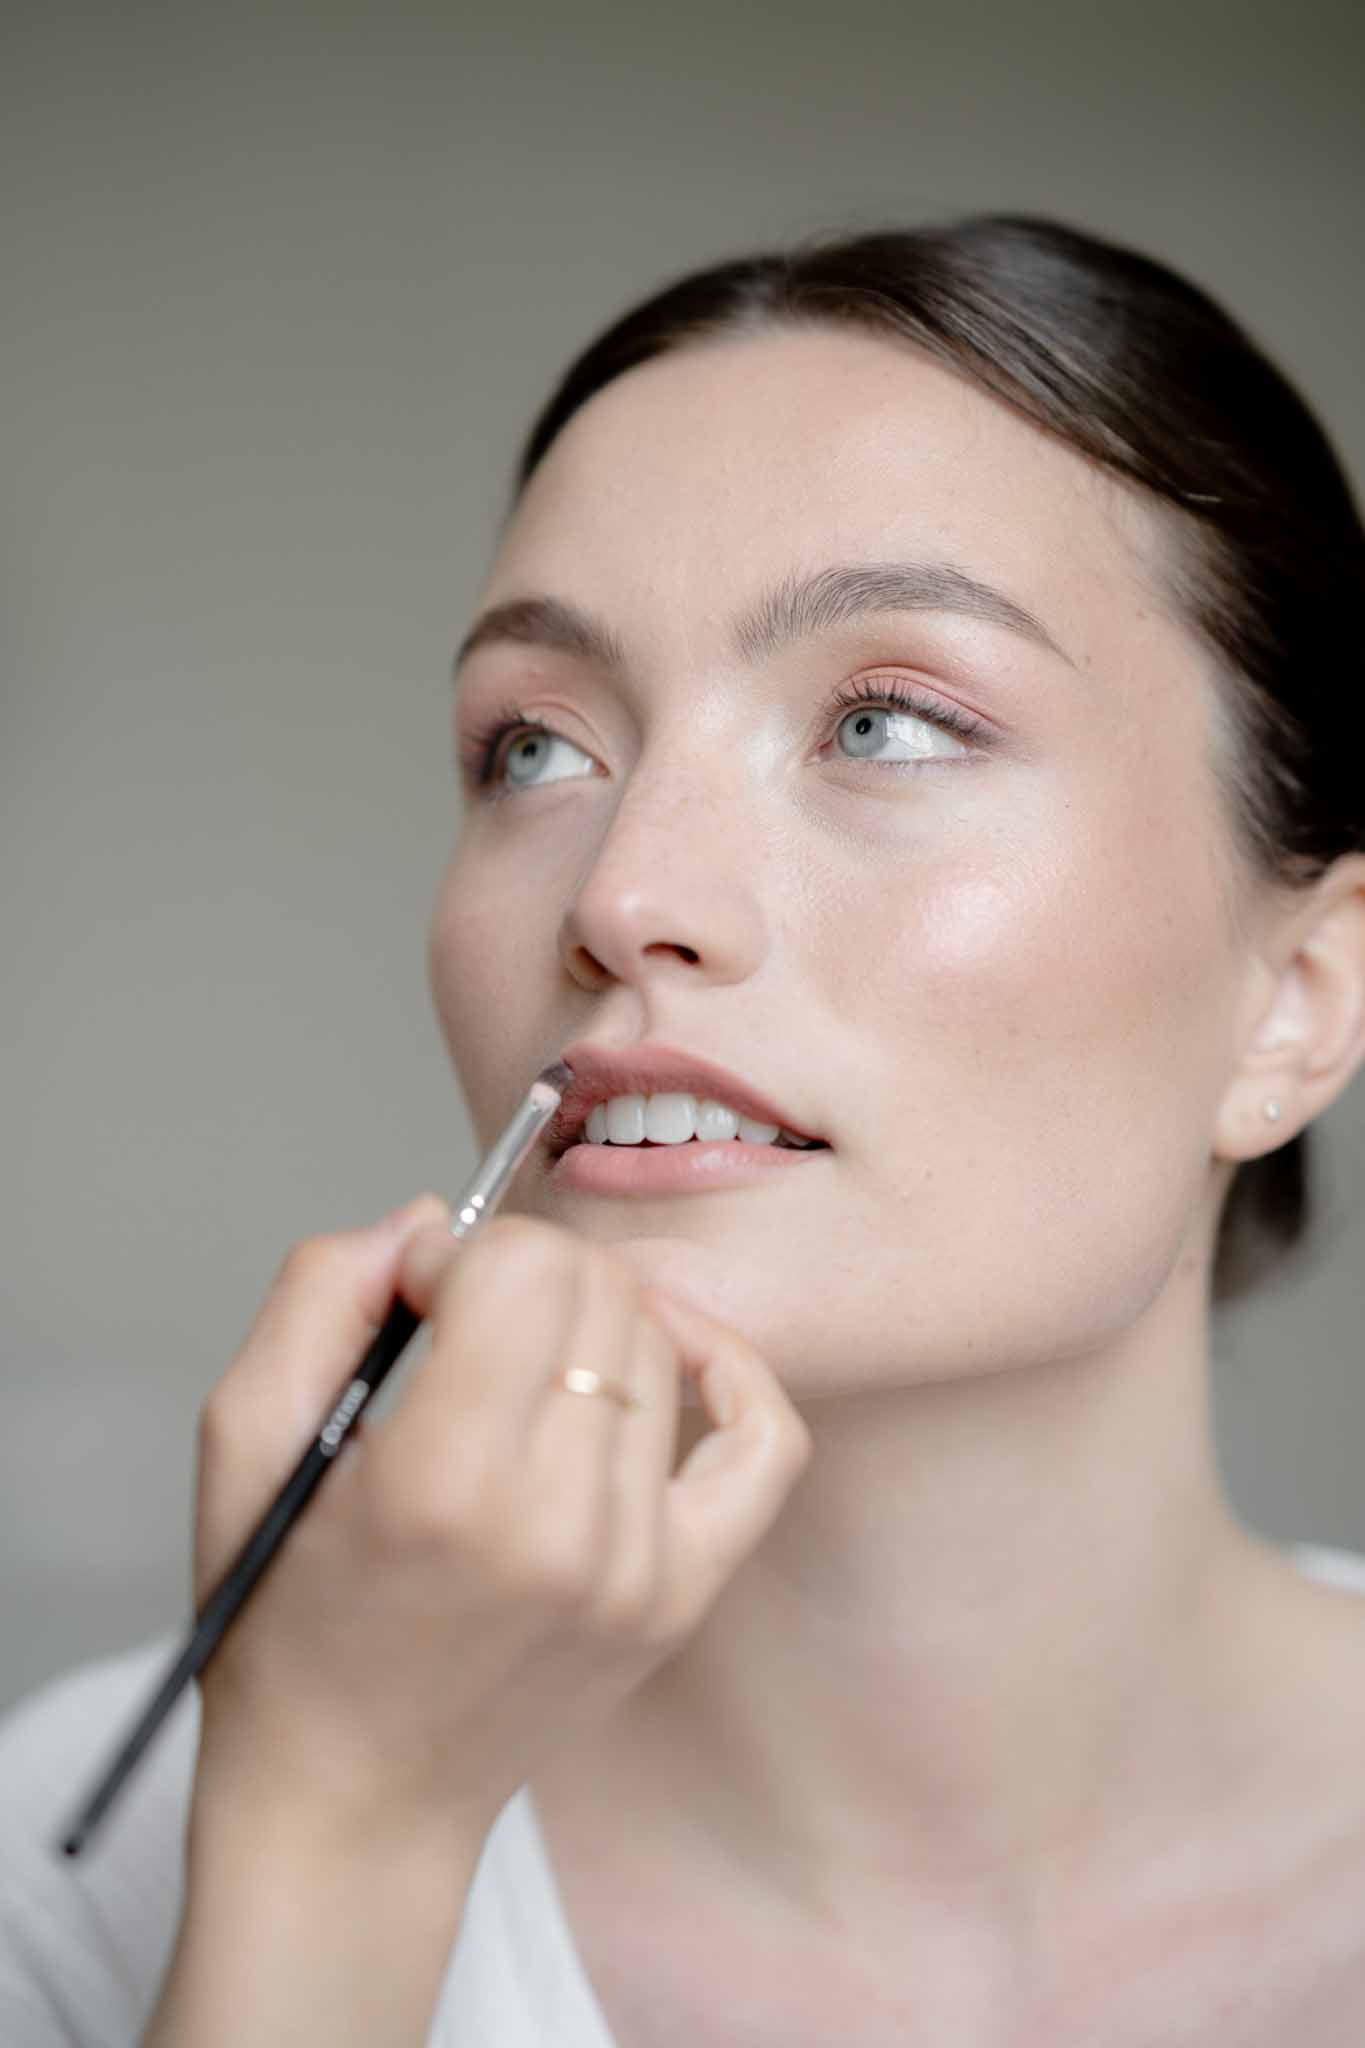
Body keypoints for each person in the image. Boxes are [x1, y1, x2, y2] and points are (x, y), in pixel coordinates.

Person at [4, 211, 1365, 2046]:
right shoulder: (75, 1875)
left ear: (1296, 1000)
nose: (625, 892)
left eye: (886, 721)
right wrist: (330, 1847)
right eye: (536, 749)